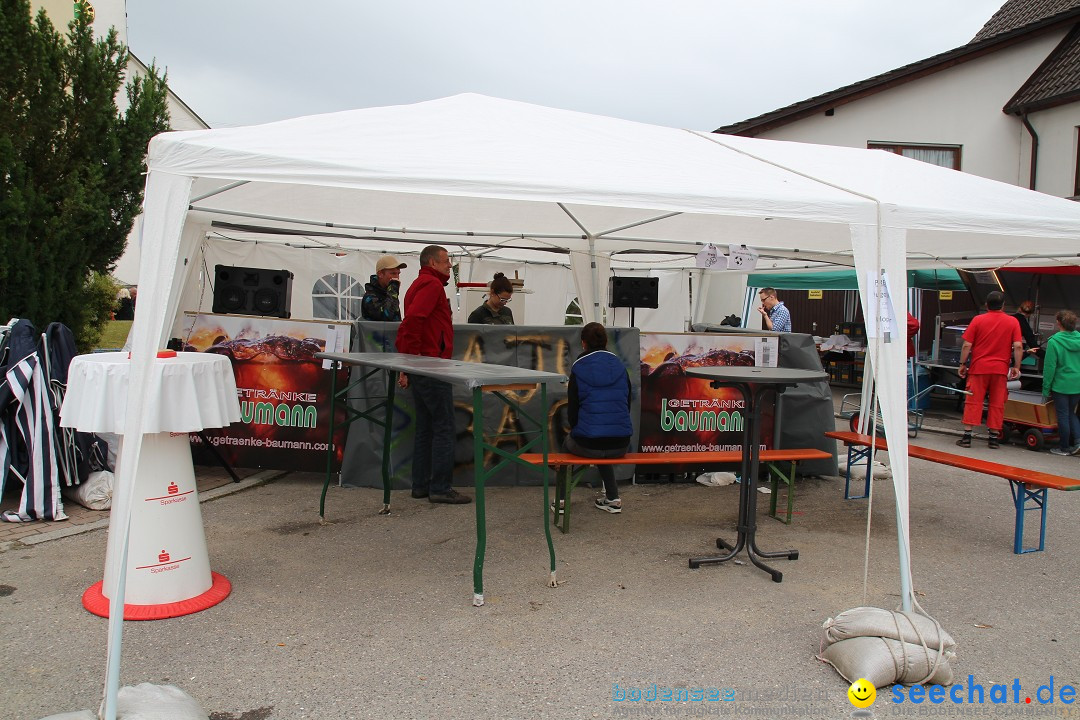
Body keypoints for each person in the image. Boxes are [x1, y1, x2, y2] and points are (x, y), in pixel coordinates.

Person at [395, 245, 470, 504]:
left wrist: (408, 364)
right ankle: (439, 487)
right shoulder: (432, 286)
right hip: (431, 366)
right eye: (446, 260)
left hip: (423, 364)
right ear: (433, 262)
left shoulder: (419, 284)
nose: (450, 265)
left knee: (426, 427)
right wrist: (414, 361)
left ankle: (421, 485)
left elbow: (412, 322)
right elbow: (413, 321)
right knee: (443, 427)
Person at [565, 322, 633, 514]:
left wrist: (578, 430)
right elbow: (626, 404)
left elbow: (573, 410)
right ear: (606, 342)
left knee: (568, 445)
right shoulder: (620, 365)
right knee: (605, 441)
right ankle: (612, 498)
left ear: (583, 343)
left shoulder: (579, 367)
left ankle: (561, 501)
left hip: (588, 444)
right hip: (620, 444)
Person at [956, 291, 1023, 449]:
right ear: (1003, 305)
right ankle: (993, 438)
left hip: (979, 368)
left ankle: (967, 437)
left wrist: (962, 364)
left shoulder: (978, 320)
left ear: (986, 305)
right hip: (1000, 369)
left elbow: (967, 345)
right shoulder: (1012, 322)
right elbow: (1018, 346)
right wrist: (1016, 367)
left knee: (973, 401)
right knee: (997, 402)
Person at [1041, 309, 1080, 456]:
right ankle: (1078, 442)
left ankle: (1064, 447)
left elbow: (1050, 367)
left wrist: (1046, 389)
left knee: (1062, 415)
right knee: (1071, 413)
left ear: (1059, 323)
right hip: (1077, 383)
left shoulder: (1054, 342)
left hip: (1061, 384)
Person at [361, 255, 406, 321]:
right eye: (393, 273)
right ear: (380, 274)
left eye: (398, 274)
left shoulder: (388, 293)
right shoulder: (370, 297)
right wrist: (393, 290)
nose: (397, 277)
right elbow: (387, 317)